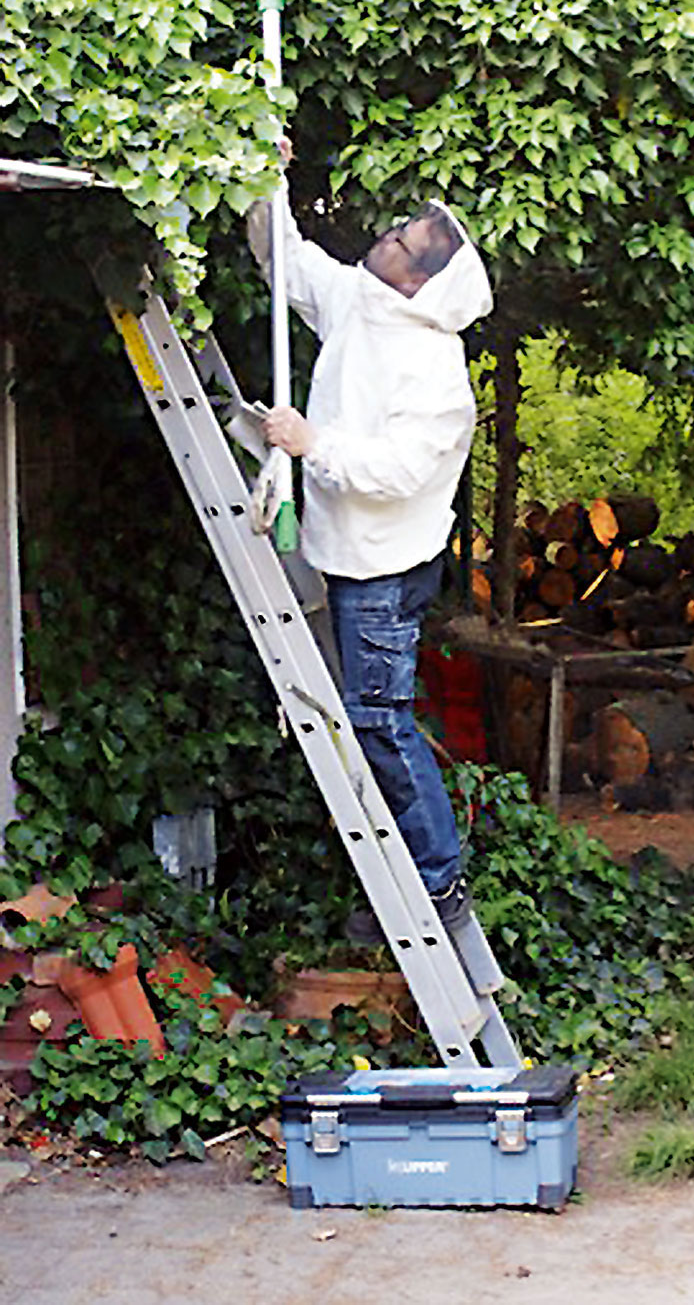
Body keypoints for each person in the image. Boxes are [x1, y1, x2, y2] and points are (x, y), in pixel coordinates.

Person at [247, 184, 493, 940]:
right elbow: (283, 260)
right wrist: (269, 181)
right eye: (397, 229)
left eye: (404, 241)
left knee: (379, 721)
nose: (386, 237)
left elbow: (397, 472)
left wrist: (309, 443)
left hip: (386, 565)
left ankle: (438, 885)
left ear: (421, 280)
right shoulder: (360, 298)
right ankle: (418, 873)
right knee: (368, 718)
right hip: (342, 550)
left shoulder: (436, 371)